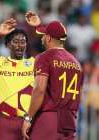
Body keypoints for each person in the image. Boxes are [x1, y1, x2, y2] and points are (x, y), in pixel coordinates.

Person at [22, 12, 84, 140]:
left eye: (44, 36)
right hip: (69, 120)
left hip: (49, 119)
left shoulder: (44, 57)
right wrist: (38, 25)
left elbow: (39, 89)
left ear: (49, 38)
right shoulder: (76, 63)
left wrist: (28, 118)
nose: (42, 38)